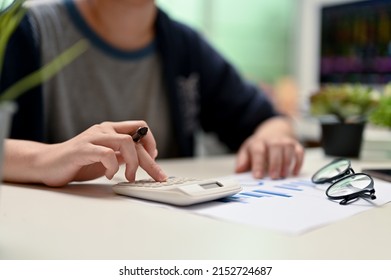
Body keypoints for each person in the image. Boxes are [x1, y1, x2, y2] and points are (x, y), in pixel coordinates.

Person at [0, 0, 304, 187]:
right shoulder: (23, 31)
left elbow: (266, 119)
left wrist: (272, 138)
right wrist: (45, 158)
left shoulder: (185, 46)